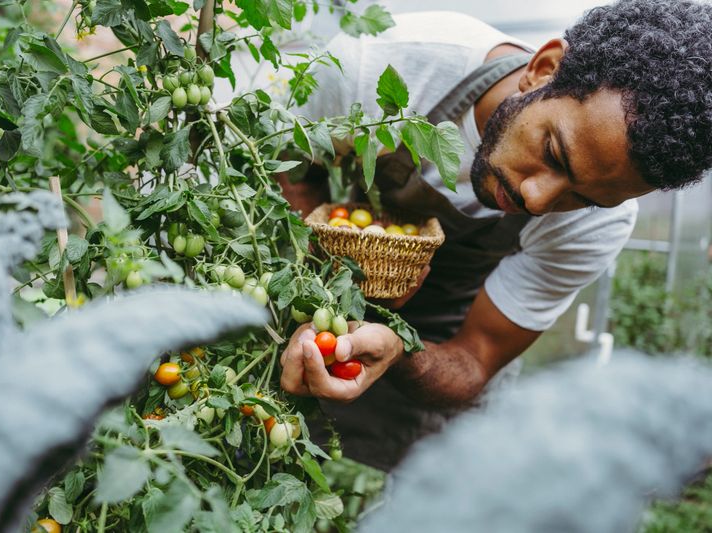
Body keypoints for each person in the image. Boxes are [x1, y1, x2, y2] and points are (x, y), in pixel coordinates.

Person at [278, 0, 712, 471]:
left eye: (585, 197)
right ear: (544, 69)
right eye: (554, 154)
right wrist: (320, 259)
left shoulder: (601, 225)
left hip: (437, 341)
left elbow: (476, 358)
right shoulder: (393, 62)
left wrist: (401, 351)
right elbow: (289, 162)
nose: (537, 199)